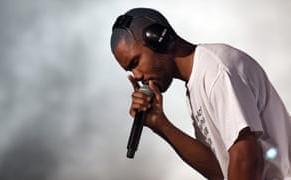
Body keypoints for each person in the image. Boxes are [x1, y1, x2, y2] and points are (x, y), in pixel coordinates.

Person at [110, 7, 291, 180]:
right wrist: (160, 124)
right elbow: (219, 171)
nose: (137, 75)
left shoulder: (216, 71)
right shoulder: (196, 84)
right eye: (130, 70)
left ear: (158, 39)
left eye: (135, 62)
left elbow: (246, 157)